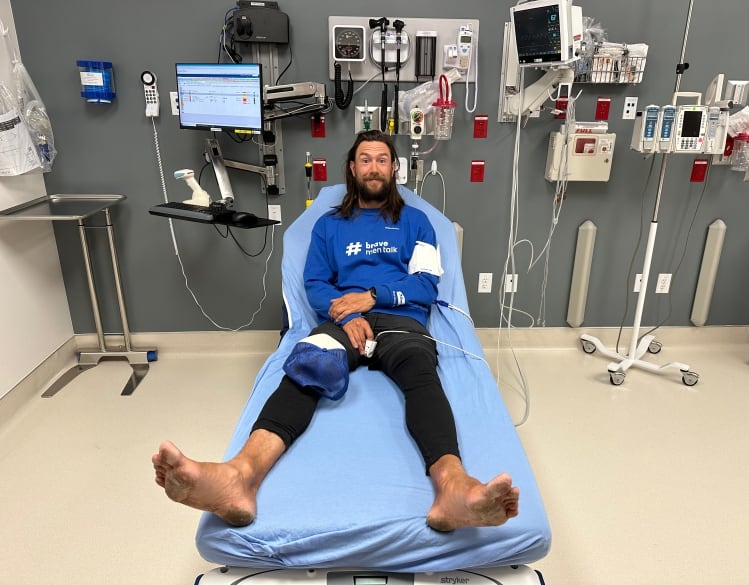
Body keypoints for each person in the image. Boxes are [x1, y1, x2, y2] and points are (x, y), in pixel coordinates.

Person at [152, 130, 519, 532]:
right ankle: (239, 476)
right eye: (365, 159)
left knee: (420, 371)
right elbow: (315, 285)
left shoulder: (418, 222)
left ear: (394, 168)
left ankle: (453, 488)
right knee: (309, 367)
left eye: (382, 159)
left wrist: (371, 296)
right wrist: (347, 316)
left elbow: (426, 285)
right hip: (342, 322)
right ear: (352, 168)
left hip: (401, 321)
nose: (374, 167)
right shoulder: (329, 227)